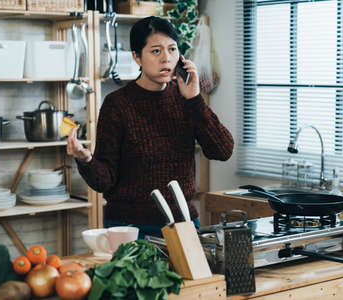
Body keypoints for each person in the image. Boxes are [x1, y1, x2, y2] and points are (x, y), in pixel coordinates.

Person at [67, 16, 234, 238]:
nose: (166, 58)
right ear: (137, 57)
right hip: (129, 228)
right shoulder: (117, 104)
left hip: (183, 222)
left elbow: (222, 150)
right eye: (156, 51)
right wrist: (85, 159)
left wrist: (194, 100)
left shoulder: (187, 100)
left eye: (172, 49)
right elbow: (104, 180)